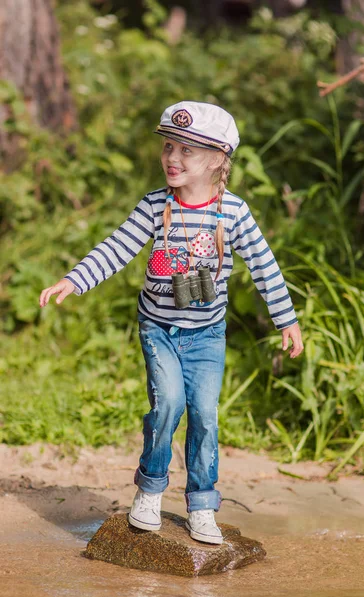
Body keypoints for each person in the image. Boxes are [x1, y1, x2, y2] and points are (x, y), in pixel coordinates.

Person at [39, 101, 304, 545]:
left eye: (187, 150)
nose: (172, 158)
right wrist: (75, 279)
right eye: (168, 146)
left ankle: (202, 503)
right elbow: (116, 248)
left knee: (204, 415)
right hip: (159, 329)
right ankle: (150, 489)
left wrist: (286, 319)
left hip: (208, 336)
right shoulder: (154, 206)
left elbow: (265, 266)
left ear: (219, 159)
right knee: (168, 406)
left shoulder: (233, 213)